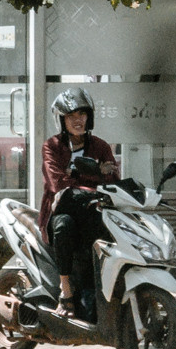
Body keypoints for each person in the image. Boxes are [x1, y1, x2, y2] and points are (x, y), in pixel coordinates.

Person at [39, 87, 116, 321]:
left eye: (82, 114)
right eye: (71, 116)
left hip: (91, 212)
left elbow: (113, 181)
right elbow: (57, 184)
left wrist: (76, 174)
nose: (78, 120)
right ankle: (66, 291)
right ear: (62, 120)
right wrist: (93, 171)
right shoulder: (51, 146)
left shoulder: (101, 147)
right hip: (59, 210)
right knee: (64, 225)